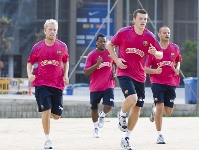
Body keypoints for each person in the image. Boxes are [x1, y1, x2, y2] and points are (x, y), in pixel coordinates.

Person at [107, 9, 163, 150]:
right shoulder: (124, 32)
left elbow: (160, 54)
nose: (143, 21)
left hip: (140, 76)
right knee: (132, 99)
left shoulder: (149, 36)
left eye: (145, 19)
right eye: (140, 19)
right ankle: (121, 114)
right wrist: (116, 59)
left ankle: (126, 138)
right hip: (124, 71)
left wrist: (154, 52)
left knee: (137, 108)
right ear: (134, 20)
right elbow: (109, 45)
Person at [27, 19, 69, 149]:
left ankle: (47, 108)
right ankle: (47, 139)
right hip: (41, 83)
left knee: (56, 116)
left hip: (57, 84)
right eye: (50, 29)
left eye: (54, 30)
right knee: (46, 111)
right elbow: (30, 63)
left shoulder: (62, 46)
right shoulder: (38, 47)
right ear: (45, 30)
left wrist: (65, 75)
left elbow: (66, 61)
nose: (52, 32)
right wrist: (29, 75)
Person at [145, 26, 182, 144]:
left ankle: (154, 109)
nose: (166, 34)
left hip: (171, 82)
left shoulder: (175, 47)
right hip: (157, 82)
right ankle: (159, 135)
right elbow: (145, 68)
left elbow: (178, 60)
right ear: (159, 34)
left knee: (168, 111)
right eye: (164, 33)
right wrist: (155, 71)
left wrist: (177, 68)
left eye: (168, 33)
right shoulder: (153, 50)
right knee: (160, 106)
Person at [84, 33, 116, 138]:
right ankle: (96, 128)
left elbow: (115, 63)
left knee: (109, 105)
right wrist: (97, 65)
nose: (103, 43)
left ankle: (102, 115)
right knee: (94, 109)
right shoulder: (92, 55)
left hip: (108, 85)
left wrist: (114, 73)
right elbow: (86, 72)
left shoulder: (110, 52)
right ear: (96, 42)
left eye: (104, 41)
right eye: (101, 41)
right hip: (95, 87)